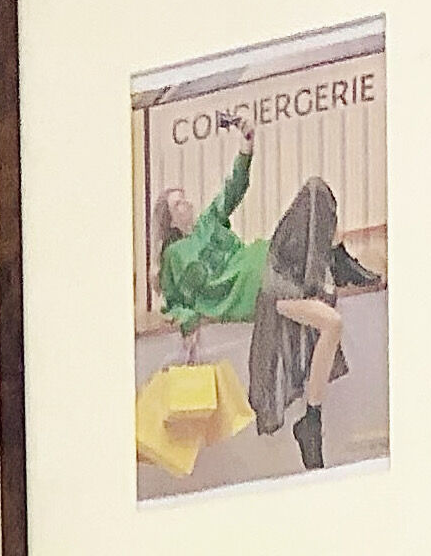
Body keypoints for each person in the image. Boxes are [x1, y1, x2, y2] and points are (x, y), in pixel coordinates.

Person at [146, 128, 379, 472]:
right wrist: (187, 320)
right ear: (170, 220)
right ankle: (310, 421)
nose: (188, 204)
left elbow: (233, 188)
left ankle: (333, 260)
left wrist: (246, 145)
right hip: (266, 290)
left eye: (186, 198)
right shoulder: (174, 257)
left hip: (272, 259)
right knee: (330, 319)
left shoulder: (211, 222)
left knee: (315, 192)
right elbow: (174, 299)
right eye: (178, 203)